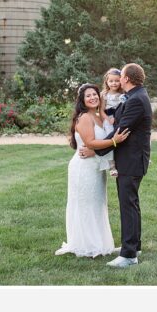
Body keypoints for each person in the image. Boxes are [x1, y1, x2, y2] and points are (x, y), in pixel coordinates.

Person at [56, 82, 130, 261]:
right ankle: (85, 245)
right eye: (88, 96)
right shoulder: (84, 118)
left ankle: (100, 243)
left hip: (96, 168)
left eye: (95, 94)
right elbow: (90, 143)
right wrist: (115, 141)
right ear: (82, 100)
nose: (92, 98)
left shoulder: (97, 116)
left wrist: (103, 111)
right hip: (83, 168)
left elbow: (101, 137)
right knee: (85, 205)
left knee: (97, 204)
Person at [106, 62, 153, 269]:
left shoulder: (136, 99)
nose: (119, 78)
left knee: (128, 205)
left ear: (126, 79)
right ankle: (133, 245)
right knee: (131, 204)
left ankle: (129, 255)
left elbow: (121, 130)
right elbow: (118, 120)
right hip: (132, 159)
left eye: (121, 76)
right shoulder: (135, 96)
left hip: (131, 160)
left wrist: (94, 148)